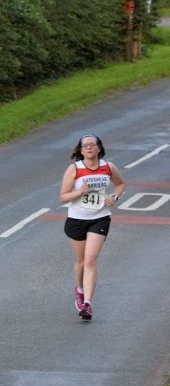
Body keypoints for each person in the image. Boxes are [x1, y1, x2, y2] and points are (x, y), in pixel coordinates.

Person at [59, 133, 125, 321]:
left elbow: (120, 184)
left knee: (90, 260)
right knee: (80, 261)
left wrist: (114, 197)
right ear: (81, 150)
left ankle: (87, 303)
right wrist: (79, 192)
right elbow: (63, 197)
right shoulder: (75, 169)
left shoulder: (108, 167)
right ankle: (79, 289)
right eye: (84, 145)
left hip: (100, 217)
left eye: (92, 145)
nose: (88, 148)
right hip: (77, 219)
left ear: (99, 148)